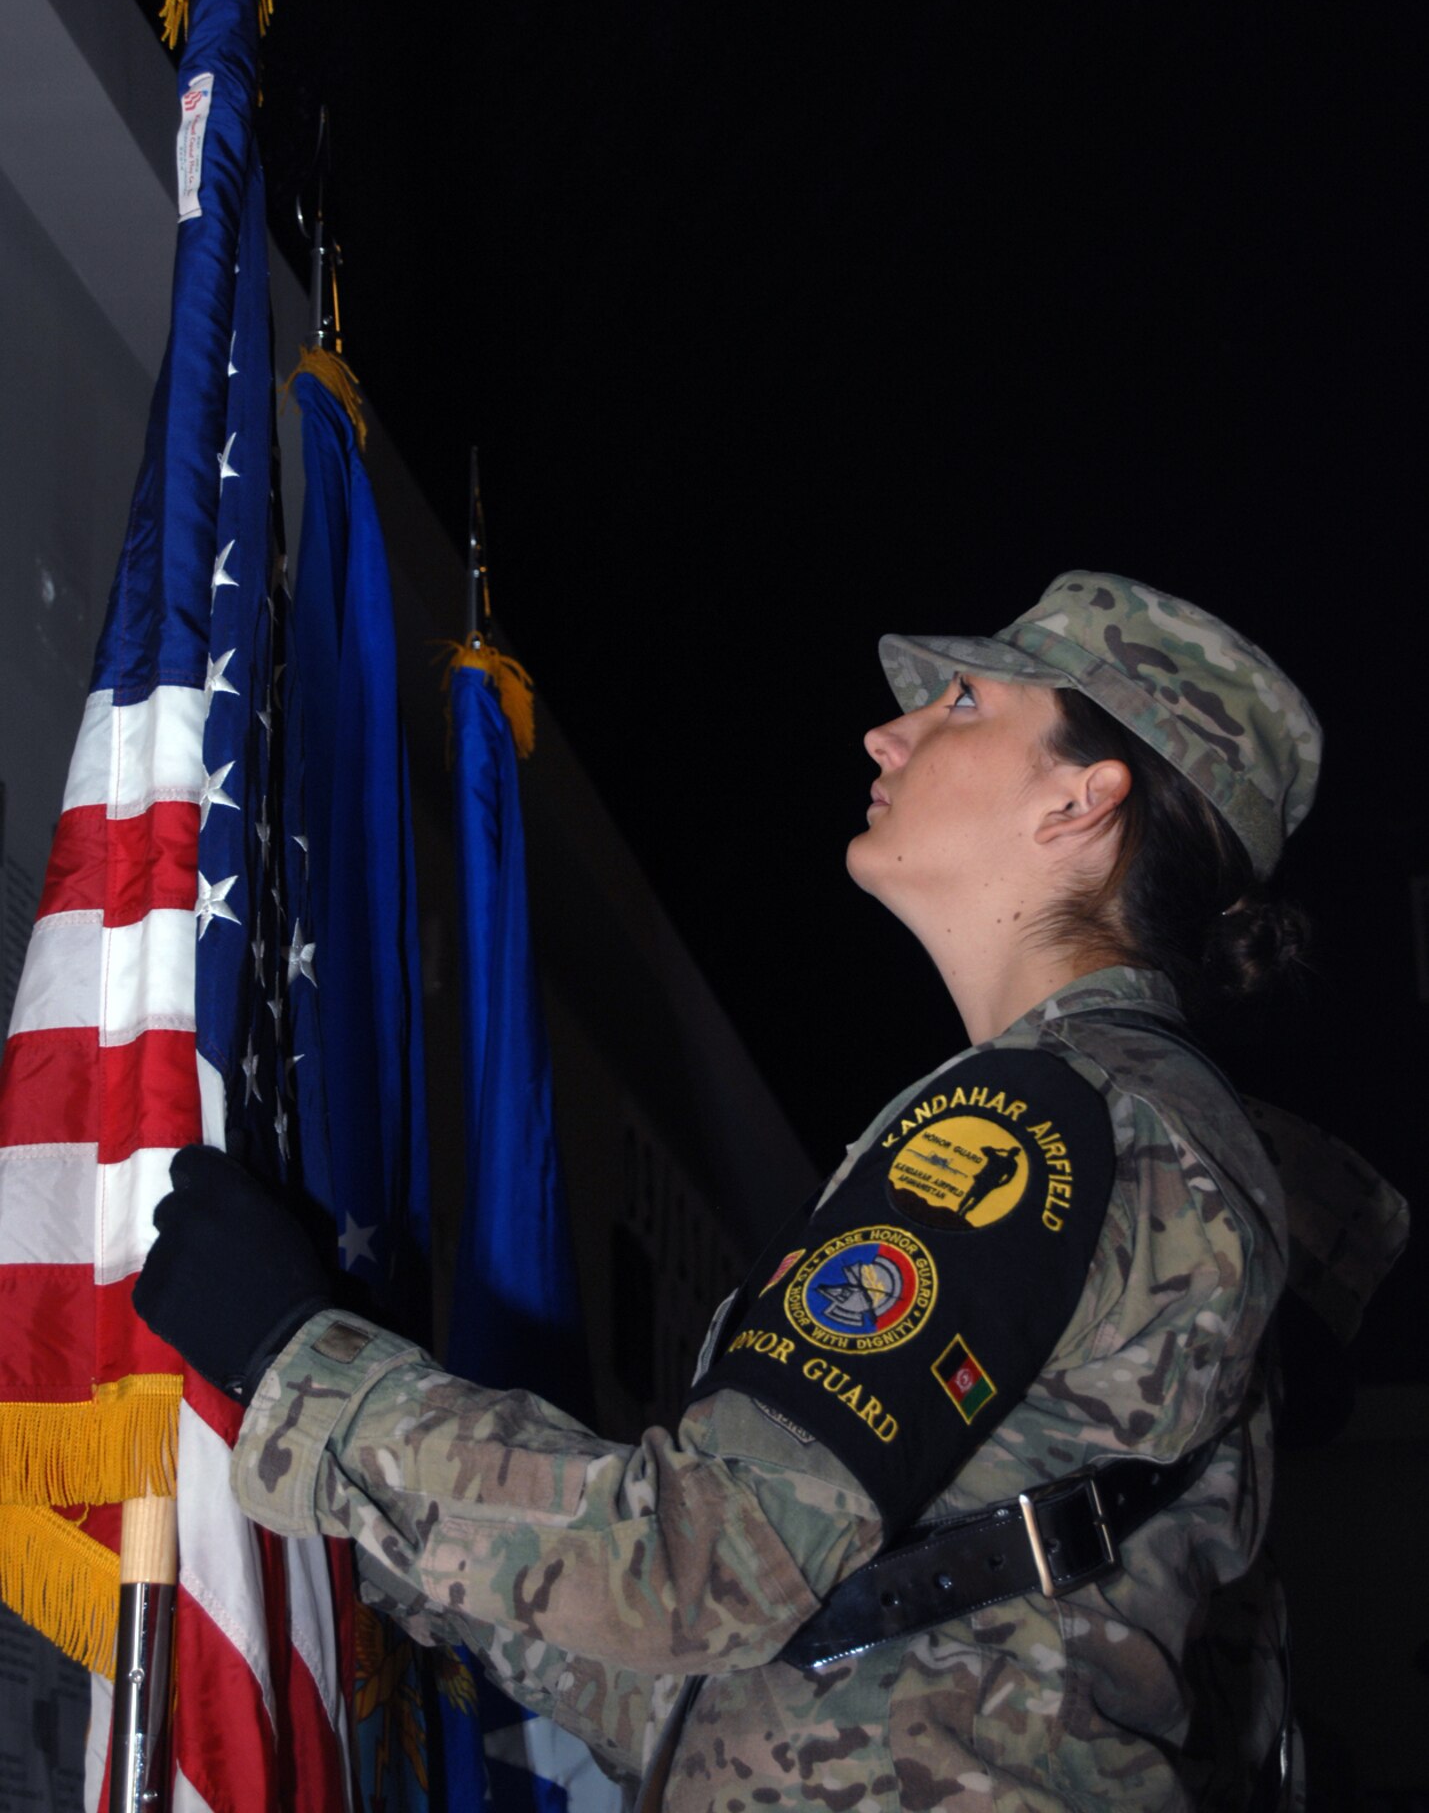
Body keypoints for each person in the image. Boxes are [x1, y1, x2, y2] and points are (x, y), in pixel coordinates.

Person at [136, 570, 1328, 1810]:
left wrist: (301, 1368)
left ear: (1080, 798)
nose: (889, 732)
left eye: (966, 701)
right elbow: (731, 1691)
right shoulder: (1128, 1115)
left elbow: (707, 1561)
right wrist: (369, 1488)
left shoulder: (1039, 1119)